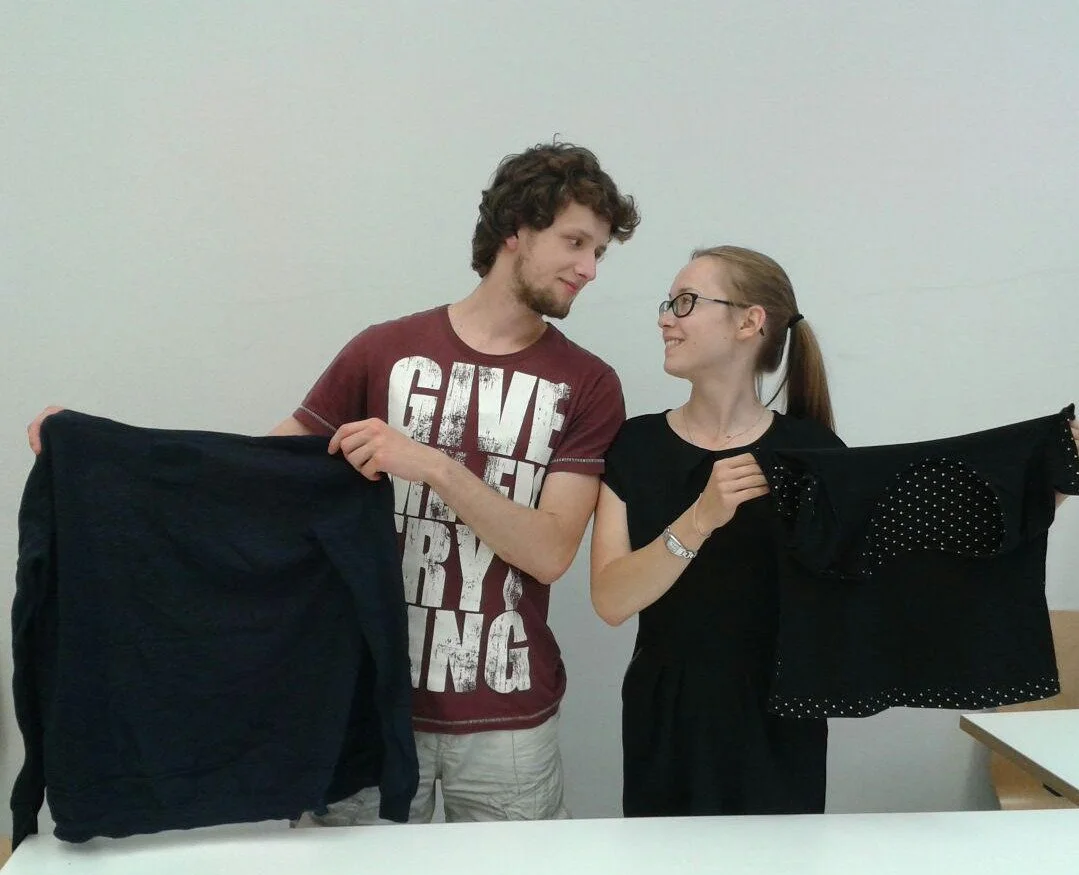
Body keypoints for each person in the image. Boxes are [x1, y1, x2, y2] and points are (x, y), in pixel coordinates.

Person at [27, 141, 640, 824]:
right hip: (359, 708)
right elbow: (252, 475)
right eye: (575, 242)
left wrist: (432, 464)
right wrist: (95, 447)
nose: (588, 269)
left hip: (506, 725)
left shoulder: (587, 384)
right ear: (515, 231)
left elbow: (551, 551)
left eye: (599, 253)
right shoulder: (384, 349)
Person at [589, 244, 1079, 819]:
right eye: (669, 302)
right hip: (665, 712)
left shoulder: (813, 455)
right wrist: (699, 519)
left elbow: (927, 541)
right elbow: (611, 599)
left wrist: (1055, 472)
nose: (665, 317)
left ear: (750, 322)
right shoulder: (636, 446)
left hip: (781, 715)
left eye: (687, 301)